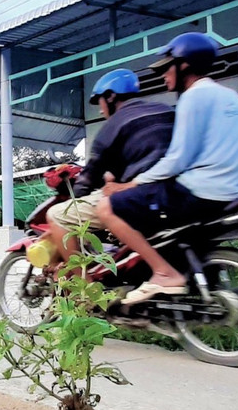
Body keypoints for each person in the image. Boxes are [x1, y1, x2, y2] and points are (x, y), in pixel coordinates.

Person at [94, 32, 238, 305]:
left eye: (165, 67)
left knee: (108, 207)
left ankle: (163, 273)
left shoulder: (193, 98)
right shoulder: (230, 97)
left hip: (203, 191)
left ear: (183, 65)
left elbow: (177, 160)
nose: (163, 75)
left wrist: (130, 185)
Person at [32, 68, 174, 267]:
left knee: (57, 215)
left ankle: (84, 288)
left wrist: (77, 194)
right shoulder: (165, 110)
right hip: (177, 192)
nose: (100, 109)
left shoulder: (113, 126)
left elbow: (91, 176)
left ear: (110, 96)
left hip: (142, 196)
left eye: (100, 101)